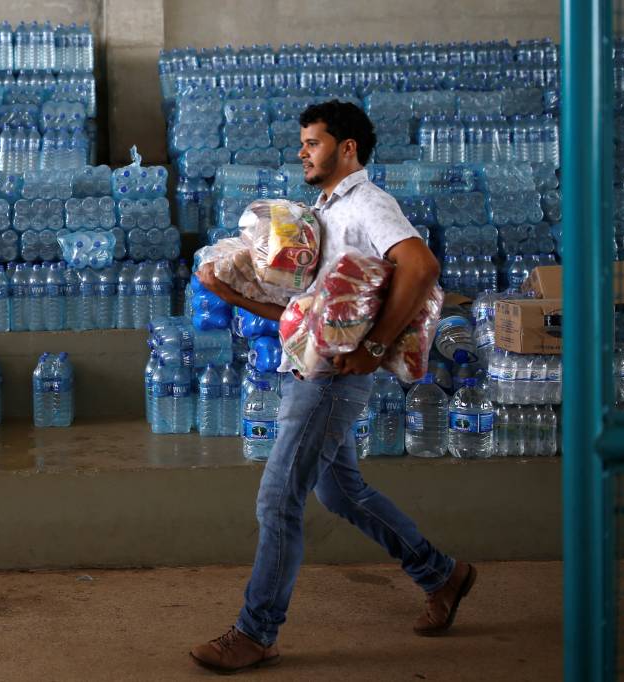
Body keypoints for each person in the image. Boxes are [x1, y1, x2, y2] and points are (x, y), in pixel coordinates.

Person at [190, 100, 476, 674]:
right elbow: (306, 313)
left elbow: (420, 267)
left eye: (313, 142)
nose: (303, 151)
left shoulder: (370, 204)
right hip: (311, 367)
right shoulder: (320, 213)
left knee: (278, 499)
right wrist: (229, 292)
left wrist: (373, 348)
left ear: (347, 148)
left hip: (331, 380)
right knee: (341, 494)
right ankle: (443, 574)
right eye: (302, 143)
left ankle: (256, 632)